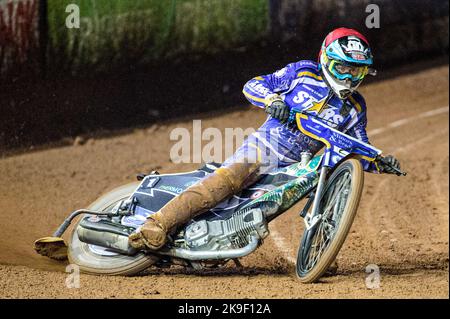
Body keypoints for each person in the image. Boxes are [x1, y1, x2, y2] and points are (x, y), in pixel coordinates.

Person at [129, 27, 401, 251]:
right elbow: (255, 84)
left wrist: (378, 161)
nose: (350, 77)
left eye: (358, 71)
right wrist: (272, 100)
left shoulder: (355, 107)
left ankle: (321, 250)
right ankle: (157, 223)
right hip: (266, 147)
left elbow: (357, 144)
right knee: (229, 179)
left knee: (312, 187)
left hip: (298, 165)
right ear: (326, 60)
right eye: (343, 68)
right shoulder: (303, 72)